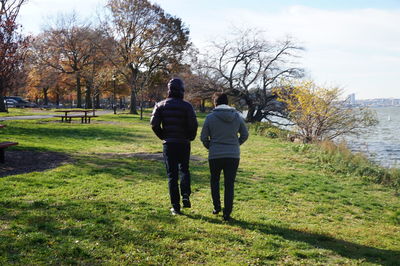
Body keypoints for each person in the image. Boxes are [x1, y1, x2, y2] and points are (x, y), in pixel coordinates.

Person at [150, 78, 198, 215]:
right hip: (183, 143)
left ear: (169, 90)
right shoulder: (187, 106)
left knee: (172, 175)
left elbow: (154, 124)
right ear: (182, 90)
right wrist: (190, 137)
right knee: (184, 169)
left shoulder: (160, 105)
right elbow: (193, 125)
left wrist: (163, 136)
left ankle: (176, 206)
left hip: (169, 143)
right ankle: (185, 194)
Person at [200, 93, 248, 221]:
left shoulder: (210, 117)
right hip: (233, 155)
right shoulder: (237, 116)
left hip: (215, 154)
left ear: (215, 103)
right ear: (227, 103)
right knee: (229, 184)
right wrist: (236, 144)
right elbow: (245, 134)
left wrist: (210, 146)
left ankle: (217, 207)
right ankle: (227, 213)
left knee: (214, 181)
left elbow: (203, 137)